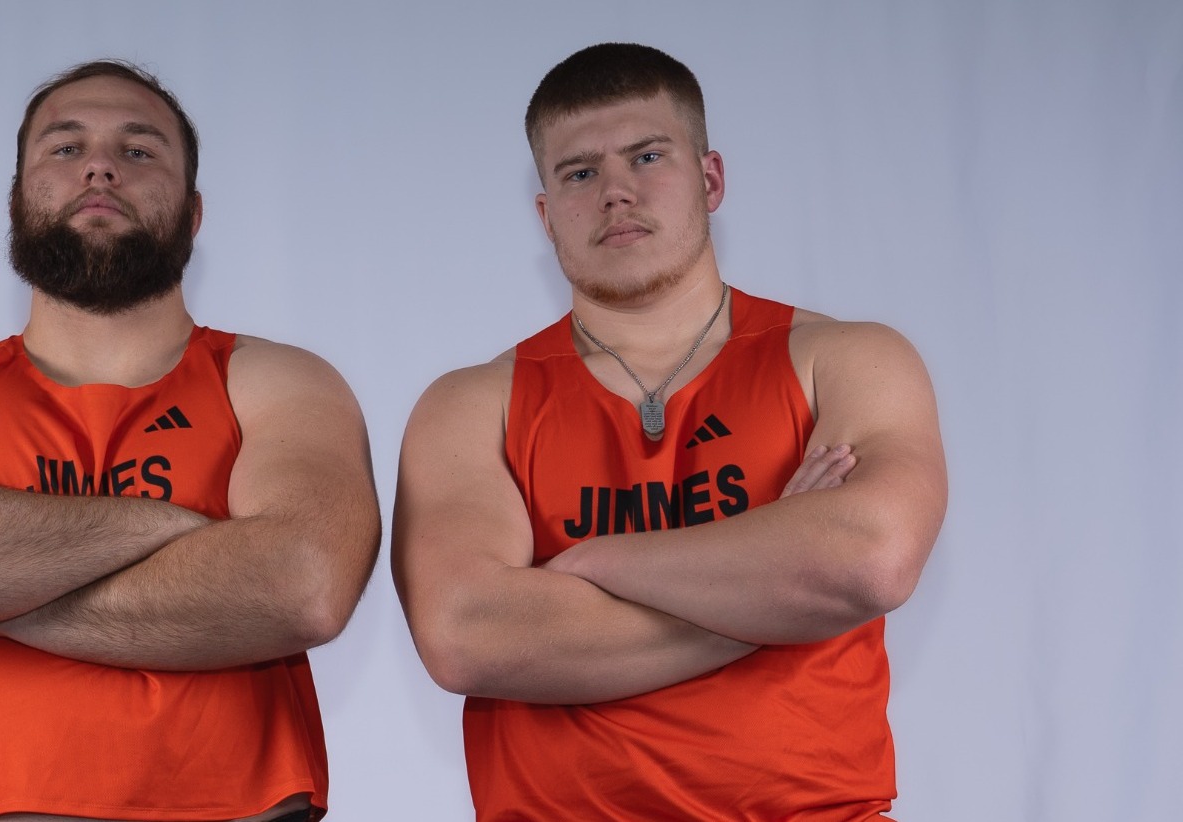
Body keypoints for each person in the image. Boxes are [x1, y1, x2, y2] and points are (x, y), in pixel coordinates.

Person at [392, 43, 946, 820]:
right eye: (580, 173)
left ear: (711, 179)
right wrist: (771, 585)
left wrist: (587, 563)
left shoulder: (845, 357)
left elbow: (867, 565)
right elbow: (466, 635)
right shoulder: (472, 403)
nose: (616, 192)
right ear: (547, 213)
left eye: (647, 156)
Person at [0, 60, 380, 822]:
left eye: (141, 150)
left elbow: (304, 584)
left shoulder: (275, 380)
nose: (101, 166)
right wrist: (183, 530)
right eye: (64, 146)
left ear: (194, 212)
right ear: (17, 199)